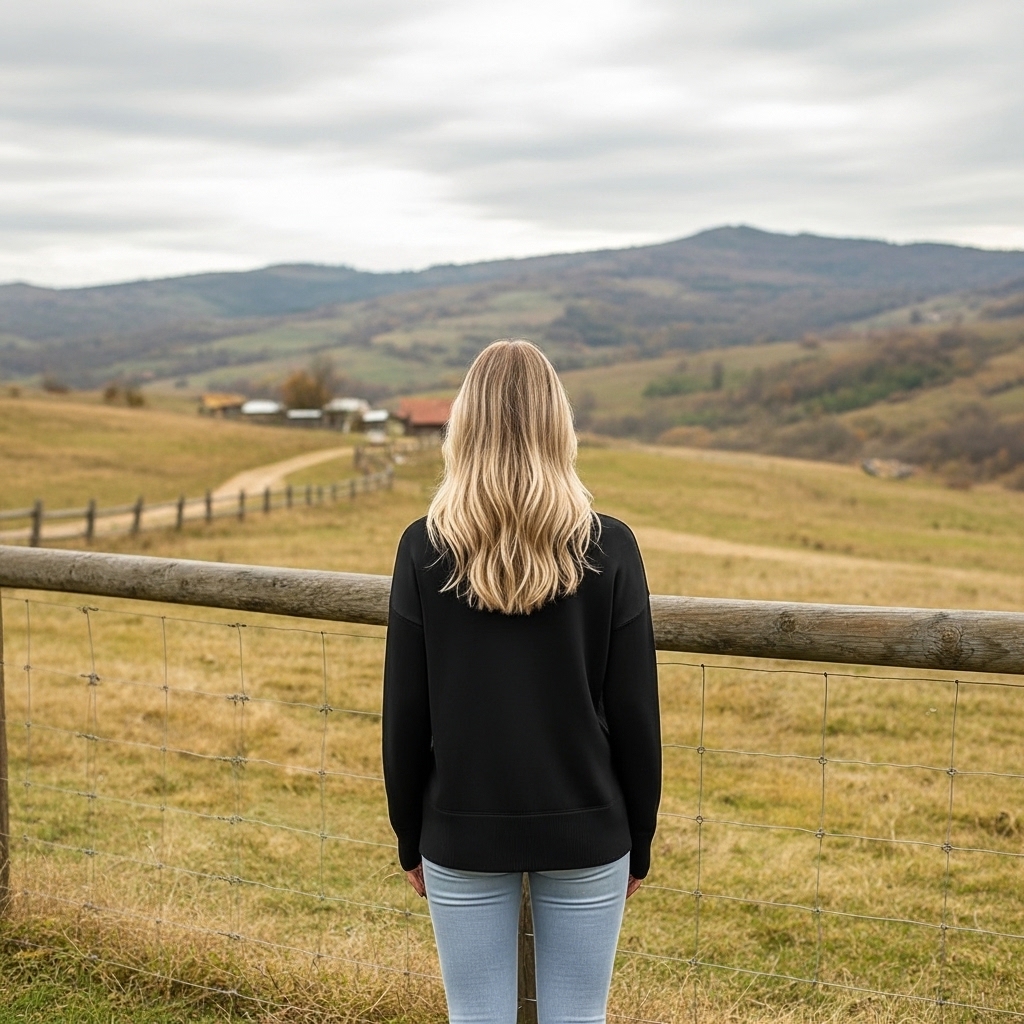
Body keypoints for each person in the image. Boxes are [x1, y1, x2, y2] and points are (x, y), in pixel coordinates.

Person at [382, 339, 661, 1024]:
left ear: (463, 426)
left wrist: (408, 836)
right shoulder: (611, 547)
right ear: (556, 425)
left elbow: (405, 717)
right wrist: (640, 843)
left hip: (460, 828)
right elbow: (635, 716)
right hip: (589, 828)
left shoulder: (424, 548)